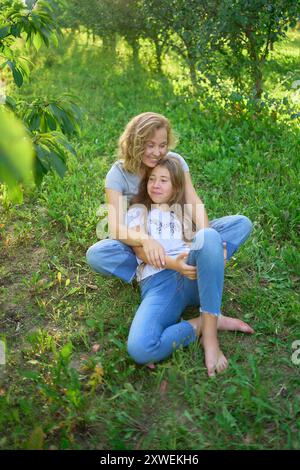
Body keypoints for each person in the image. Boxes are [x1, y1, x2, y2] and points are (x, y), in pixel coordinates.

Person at [86, 111, 252, 284]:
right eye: (150, 145)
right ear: (135, 143)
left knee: (240, 224)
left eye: (162, 145)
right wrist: (146, 240)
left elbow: (192, 201)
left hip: (179, 232)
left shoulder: (174, 161)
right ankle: (146, 272)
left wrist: (205, 240)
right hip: (142, 240)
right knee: (97, 254)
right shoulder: (118, 173)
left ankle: (197, 261)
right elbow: (115, 227)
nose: (157, 152)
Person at [125, 156, 254, 376]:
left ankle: (210, 339)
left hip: (195, 275)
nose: (156, 184)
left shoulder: (184, 212)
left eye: (164, 180)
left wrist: (215, 249)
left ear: (176, 186)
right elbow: (140, 249)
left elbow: (216, 232)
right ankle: (206, 322)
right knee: (141, 349)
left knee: (218, 232)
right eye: (152, 179)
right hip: (159, 282)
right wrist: (174, 264)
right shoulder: (138, 212)